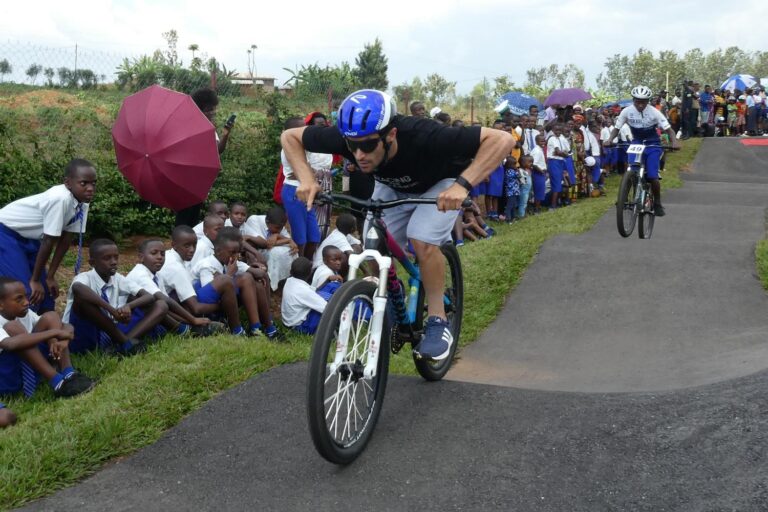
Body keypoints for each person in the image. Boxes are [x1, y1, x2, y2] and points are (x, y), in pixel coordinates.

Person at [281, 89, 513, 361]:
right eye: (351, 146)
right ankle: (393, 290)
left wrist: (463, 185)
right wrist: (306, 179)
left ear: (390, 135)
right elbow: (290, 137)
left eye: (367, 146)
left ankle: (437, 320)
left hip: (441, 186)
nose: (358, 154)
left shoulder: (425, 134)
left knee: (421, 239)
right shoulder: (353, 139)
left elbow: (502, 139)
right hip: (392, 185)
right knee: (372, 244)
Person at [0, 159, 95, 313]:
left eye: (93, 183)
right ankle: (18, 332)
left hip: (30, 238)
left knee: (46, 294)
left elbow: (66, 239)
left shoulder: (82, 202)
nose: (90, 188)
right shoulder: (60, 199)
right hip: (6, 233)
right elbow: (49, 241)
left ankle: (48, 330)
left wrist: (49, 276)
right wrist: (35, 280)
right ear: (67, 183)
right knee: (26, 291)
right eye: (84, 183)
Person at [62, 239, 165, 355]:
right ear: (92, 263)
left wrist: (128, 306)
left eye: (116, 257)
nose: (114, 262)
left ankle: (118, 347)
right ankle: (125, 343)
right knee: (84, 301)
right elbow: (77, 288)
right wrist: (112, 310)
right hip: (82, 334)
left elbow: (148, 297)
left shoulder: (117, 278)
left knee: (160, 305)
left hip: (110, 330)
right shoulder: (85, 277)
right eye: (107, 258)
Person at [0, 276, 95, 398]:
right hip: (9, 377)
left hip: (31, 365)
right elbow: (10, 344)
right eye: (19, 299)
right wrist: (55, 333)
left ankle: (68, 373)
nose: (26, 302)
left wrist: (64, 340)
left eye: (25, 296)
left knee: (51, 316)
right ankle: (58, 383)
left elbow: (66, 326)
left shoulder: (25, 313)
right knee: (14, 328)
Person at [604, 85, 681, 217]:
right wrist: (610, 139)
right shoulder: (626, 111)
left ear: (648, 101)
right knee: (632, 169)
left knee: (652, 176)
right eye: (637, 101)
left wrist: (674, 141)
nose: (640, 105)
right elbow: (616, 128)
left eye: (643, 102)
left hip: (653, 144)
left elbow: (669, 130)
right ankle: (623, 198)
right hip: (637, 142)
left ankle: (657, 202)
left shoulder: (655, 112)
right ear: (633, 100)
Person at [192, 227, 281, 339]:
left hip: (222, 300)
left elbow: (258, 273)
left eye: (237, 252)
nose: (235, 256)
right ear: (218, 251)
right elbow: (212, 293)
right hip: (204, 306)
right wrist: (229, 275)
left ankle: (265, 327)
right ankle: (248, 329)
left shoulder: (231, 262)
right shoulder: (207, 265)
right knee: (245, 278)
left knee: (255, 282)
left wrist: (257, 269)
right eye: (232, 252)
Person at [160, 225, 244, 335]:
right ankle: (237, 331)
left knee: (210, 282)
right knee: (225, 281)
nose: (192, 250)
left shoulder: (170, 255)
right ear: (174, 245)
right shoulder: (176, 268)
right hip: (172, 313)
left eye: (194, 245)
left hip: (173, 305)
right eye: (187, 246)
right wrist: (227, 304)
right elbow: (196, 309)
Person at [125, 239, 217, 337]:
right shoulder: (140, 274)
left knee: (163, 304)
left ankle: (185, 329)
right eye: (154, 253)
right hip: (128, 321)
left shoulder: (157, 275)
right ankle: (185, 330)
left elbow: (167, 308)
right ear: (141, 257)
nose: (159, 257)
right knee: (160, 304)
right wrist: (193, 320)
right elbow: (165, 301)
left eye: (162, 254)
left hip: (147, 318)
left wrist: (187, 322)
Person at [175, 88, 234, 228]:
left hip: (199, 180)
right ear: (199, 109)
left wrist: (225, 134)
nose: (213, 112)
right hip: (185, 179)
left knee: (194, 214)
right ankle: (180, 242)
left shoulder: (208, 127)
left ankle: (189, 242)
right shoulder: (187, 127)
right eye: (209, 109)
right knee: (184, 215)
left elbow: (217, 150)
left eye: (213, 108)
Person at [241, 206, 297, 289]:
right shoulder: (254, 220)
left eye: (281, 228)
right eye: (277, 228)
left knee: (290, 250)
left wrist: (277, 235)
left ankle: (285, 280)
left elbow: (289, 240)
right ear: (267, 222)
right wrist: (287, 240)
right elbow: (266, 244)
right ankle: (270, 283)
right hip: (254, 251)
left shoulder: (278, 224)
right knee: (275, 253)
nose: (279, 230)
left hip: (265, 250)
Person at [281, 257, 328, 335]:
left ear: (290, 272)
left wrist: (327, 280)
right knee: (330, 310)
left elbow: (313, 291)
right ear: (310, 273)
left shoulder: (289, 281)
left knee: (328, 289)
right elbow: (327, 308)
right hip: (300, 327)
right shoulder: (304, 291)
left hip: (288, 322)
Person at [530, 134, 548, 214]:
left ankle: (537, 207)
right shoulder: (537, 151)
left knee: (540, 191)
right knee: (539, 191)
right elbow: (534, 164)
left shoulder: (540, 149)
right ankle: (536, 209)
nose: (543, 142)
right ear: (536, 142)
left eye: (544, 140)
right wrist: (541, 171)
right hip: (538, 173)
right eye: (541, 141)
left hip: (540, 173)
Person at [502, 157, 521, 224]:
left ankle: (513, 218)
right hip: (511, 192)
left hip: (515, 191)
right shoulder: (509, 171)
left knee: (513, 205)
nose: (515, 166)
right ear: (509, 165)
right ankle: (508, 219)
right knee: (509, 206)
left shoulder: (512, 171)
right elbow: (519, 176)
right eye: (514, 164)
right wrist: (517, 170)